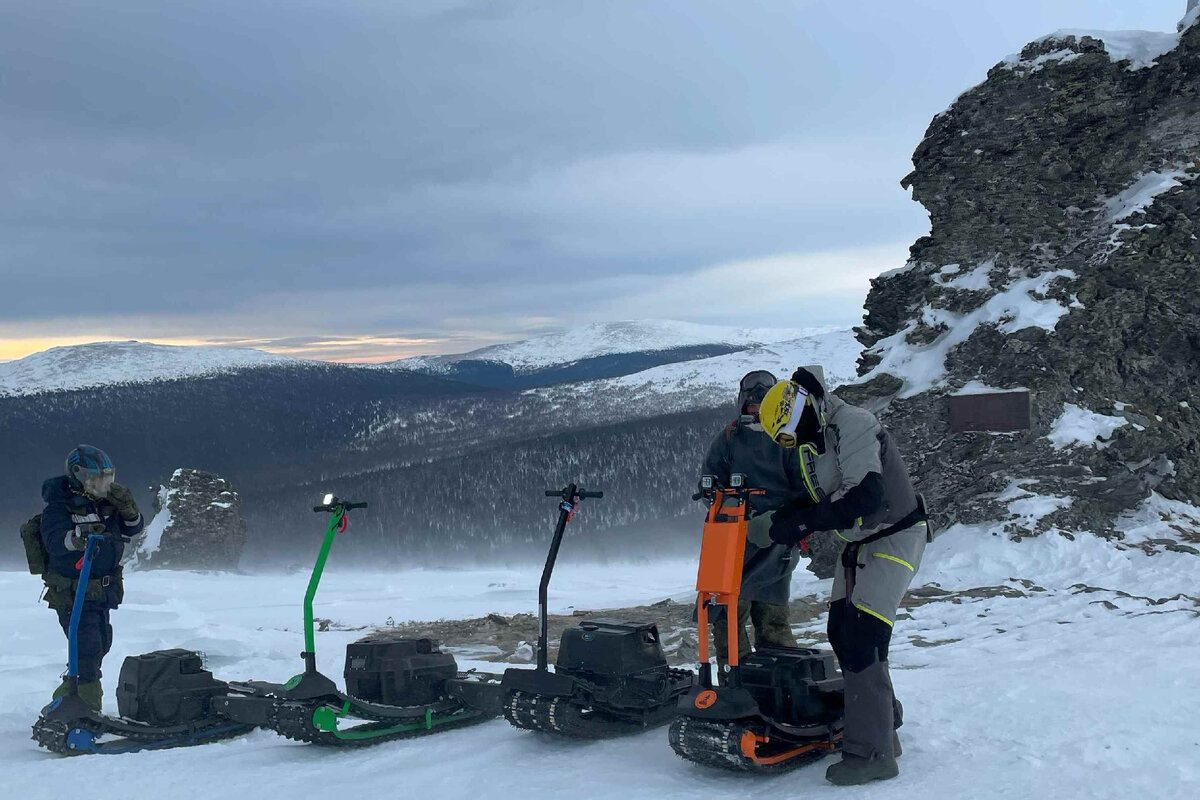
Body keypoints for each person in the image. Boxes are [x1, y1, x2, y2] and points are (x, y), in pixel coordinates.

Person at [759, 367, 928, 786]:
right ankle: (882, 730)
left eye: (793, 431)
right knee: (841, 630)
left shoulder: (853, 423)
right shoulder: (813, 438)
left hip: (895, 534)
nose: (795, 441)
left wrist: (801, 524)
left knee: (862, 636)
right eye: (786, 439)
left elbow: (865, 497)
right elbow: (819, 494)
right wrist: (785, 516)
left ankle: (871, 754)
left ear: (806, 408)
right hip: (859, 541)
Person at [699, 370, 804, 673]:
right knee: (726, 616)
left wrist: (783, 520)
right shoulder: (730, 438)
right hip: (731, 540)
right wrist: (733, 507)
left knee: (772, 619)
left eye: (762, 405)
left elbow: (804, 488)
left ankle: (782, 681)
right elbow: (708, 486)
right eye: (752, 406)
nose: (756, 412)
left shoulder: (788, 439)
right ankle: (736, 679)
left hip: (776, 539)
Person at [40, 445, 144, 712]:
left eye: (108, 478)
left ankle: (69, 696)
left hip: (101, 591)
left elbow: (133, 529)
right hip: (74, 592)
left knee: (101, 642)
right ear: (79, 476)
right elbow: (54, 541)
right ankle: (84, 705)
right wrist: (77, 539)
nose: (103, 485)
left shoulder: (106, 504)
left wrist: (129, 510)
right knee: (87, 647)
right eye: (97, 479)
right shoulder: (59, 507)